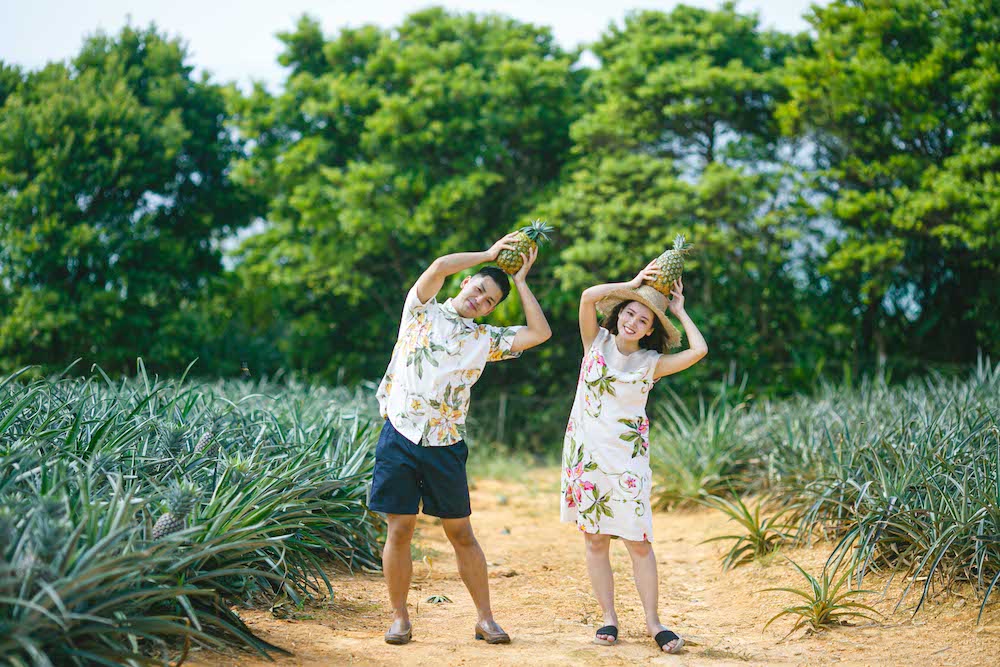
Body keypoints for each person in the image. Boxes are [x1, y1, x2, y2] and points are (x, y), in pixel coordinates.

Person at [371, 234, 551, 646]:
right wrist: (490, 256)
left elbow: (539, 332)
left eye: (489, 301)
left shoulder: (484, 340)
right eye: (479, 289)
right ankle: (399, 618)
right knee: (399, 530)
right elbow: (436, 266)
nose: (480, 300)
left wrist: (520, 282)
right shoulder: (420, 311)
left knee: (461, 533)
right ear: (465, 282)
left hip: (446, 444)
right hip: (399, 434)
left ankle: (485, 619)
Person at [560, 260, 707, 653]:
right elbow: (588, 297)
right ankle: (609, 618)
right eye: (629, 312)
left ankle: (654, 622)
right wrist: (631, 284)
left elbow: (700, 350)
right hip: (586, 457)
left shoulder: (651, 363)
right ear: (619, 314)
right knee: (595, 541)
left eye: (643, 320)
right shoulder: (595, 343)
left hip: (628, 463)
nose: (633, 322)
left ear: (649, 330)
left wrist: (678, 310)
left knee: (638, 542)